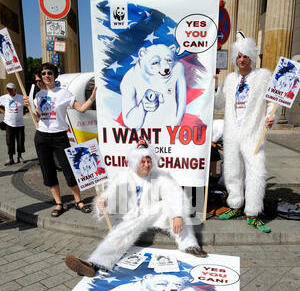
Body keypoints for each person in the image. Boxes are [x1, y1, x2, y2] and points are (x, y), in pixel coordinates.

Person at [65, 138, 207, 277]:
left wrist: (177, 215)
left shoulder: (160, 176)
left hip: (151, 213)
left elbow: (175, 194)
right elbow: (109, 196)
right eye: (143, 161)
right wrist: (103, 203)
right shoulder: (123, 177)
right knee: (119, 234)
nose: (146, 164)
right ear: (135, 162)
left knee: (176, 210)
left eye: (149, 160)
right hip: (130, 216)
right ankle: (94, 265)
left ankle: (189, 245)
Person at [214, 31, 278, 233]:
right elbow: (217, 105)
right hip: (232, 133)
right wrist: (213, 86)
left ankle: (252, 212)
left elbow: (273, 102)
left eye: (245, 56)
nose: (242, 60)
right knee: (232, 170)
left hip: (253, 133)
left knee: (256, 171)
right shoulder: (230, 79)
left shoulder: (263, 76)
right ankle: (234, 205)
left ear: (251, 57)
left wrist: (271, 118)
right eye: (239, 56)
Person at [25, 63, 97, 218]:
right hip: (42, 136)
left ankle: (78, 201)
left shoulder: (64, 93)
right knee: (48, 170)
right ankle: (58, 203)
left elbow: (82, 109)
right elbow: (39, 117)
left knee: (68, 169)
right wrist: (30, 108)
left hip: (59, 136)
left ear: (54, 75)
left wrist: (92, 97)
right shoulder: (39, 95)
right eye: (43, 73)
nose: (46, 76)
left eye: (49, 73)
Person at [0, 82, 26, 165]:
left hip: (20, 124)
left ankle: (19, 156)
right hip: (9, 123)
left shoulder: (21, 97)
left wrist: (25, 111)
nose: (9, 91)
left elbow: (29, 105)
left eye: (11, 90)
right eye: (8, 90)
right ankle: (10, 158)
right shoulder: (4, 98)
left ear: (15, 90)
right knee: (9, 141)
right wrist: (3, 111)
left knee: (20, 141)